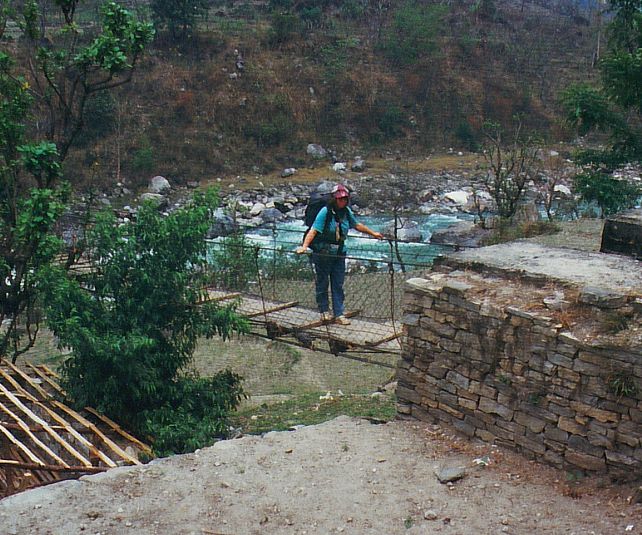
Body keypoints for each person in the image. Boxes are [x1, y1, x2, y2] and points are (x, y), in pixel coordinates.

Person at [295, 184, 384, 325]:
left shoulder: (346, 211)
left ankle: (339, 314)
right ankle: (324, 311)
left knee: (338, 283)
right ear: (334, 199)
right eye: (340, 199)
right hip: (323, 253)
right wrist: (304, 246)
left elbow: (356, 225)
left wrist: (373, 233)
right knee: (323, 282)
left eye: (345, 199)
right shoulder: (325, 211)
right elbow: (314, 230)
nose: (342, 201)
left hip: (339, 253)